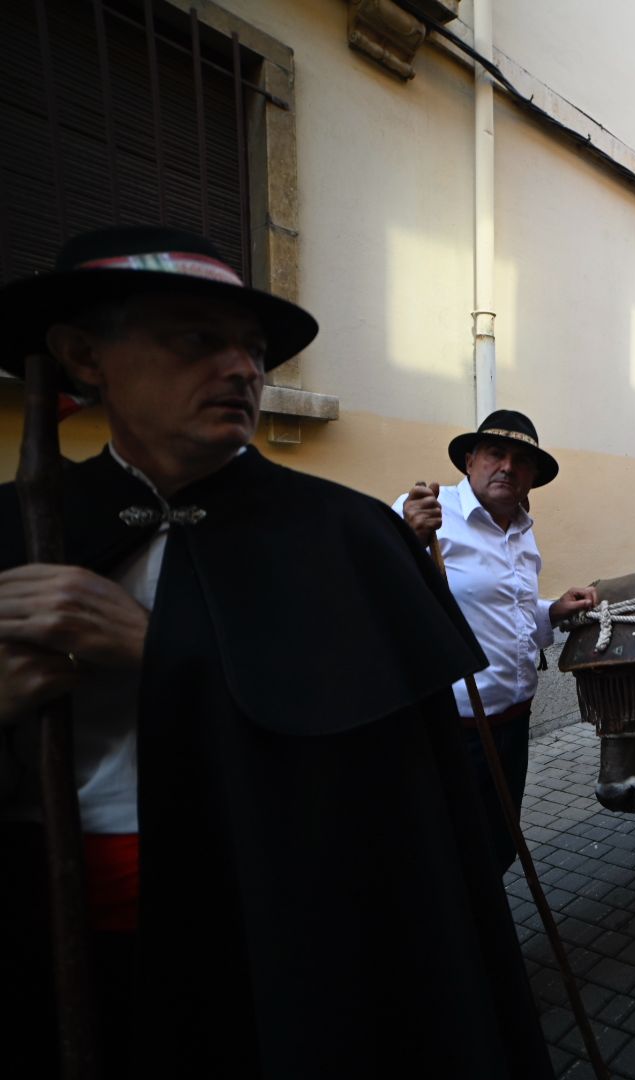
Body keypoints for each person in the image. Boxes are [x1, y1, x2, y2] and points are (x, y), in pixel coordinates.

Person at [0, 226, 553, 1077]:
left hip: (280, 929)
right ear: (82, 355)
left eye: (253, 351)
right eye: (195, 339)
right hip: (63, 932)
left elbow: (384, 781)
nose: (240, 370)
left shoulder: (346, 536)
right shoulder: (19, 526)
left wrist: (161, 651)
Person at [393, 411, 596, 875]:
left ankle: (486, 938)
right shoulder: (425, 514)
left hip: (512, 725)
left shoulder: (523, 533)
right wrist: (405, 542)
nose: (507, 466)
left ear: (532, 479)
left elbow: (511, 613)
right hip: (452, 729)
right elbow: (374, 597)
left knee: (498, 846)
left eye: (521, 460)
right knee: (447, 854)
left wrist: (554, 610)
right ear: (470, 461)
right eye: (495, 453)